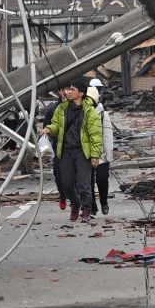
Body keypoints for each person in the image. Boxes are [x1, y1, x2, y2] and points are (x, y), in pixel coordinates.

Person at [41, 77, 103, 222]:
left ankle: (86, 210)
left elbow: (96, 135)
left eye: (72, 89)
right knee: (66, 184)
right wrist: (49, 129)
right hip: (66, 151)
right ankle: (75, 204)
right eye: (69, 89)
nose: (68, 92)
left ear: (81, 93)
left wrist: (95, 155)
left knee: (84, 184)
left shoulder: (90, 112)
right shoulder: (61, 109)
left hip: (82, 152)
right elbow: (56, 125)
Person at [87, 81, 115, 216]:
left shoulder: (103, 114)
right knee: (88, 182)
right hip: (86, 154)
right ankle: (92, 206)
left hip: (101, 155)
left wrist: (108, 155)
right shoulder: (82, 113)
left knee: (102, 180)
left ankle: (104, 202)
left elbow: (108, 136)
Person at [43, 89, 69, 210]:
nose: (66, 92)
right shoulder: (53, 108)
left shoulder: (78, 107)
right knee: (58, 174)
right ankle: (63, 195)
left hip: (76, 146)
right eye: (64, 90)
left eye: (69, 89)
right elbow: (47, 126)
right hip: (58, 145)